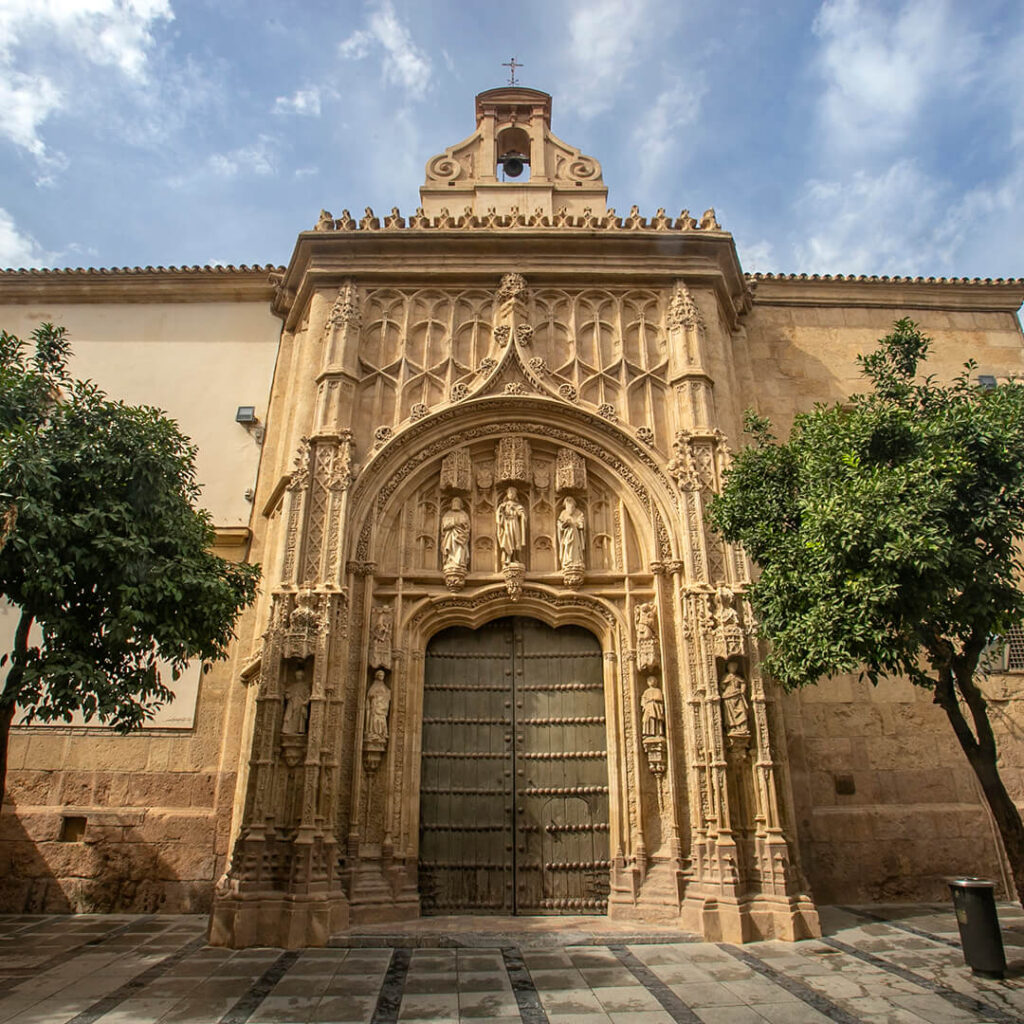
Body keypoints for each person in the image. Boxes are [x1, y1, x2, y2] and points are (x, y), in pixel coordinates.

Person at [495, 487, 527, 566]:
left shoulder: (518, 505)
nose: (511, 494)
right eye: (510, 493)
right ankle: (508, 557)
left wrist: (516, 511)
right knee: (507, 539)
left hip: (515, 524)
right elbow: (498, 516)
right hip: (507, 524)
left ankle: (516, 558)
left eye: (513, 493)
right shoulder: (503, 505)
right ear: (507, 495)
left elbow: (523, 515)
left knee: (516, 540)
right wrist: (501, 513)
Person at [441, 496, 471, 572]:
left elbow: (467, 526)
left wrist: (459, 524)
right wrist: (453, 523)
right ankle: (450, 561)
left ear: (461, 504)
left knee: (460, 549)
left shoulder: (464, 514)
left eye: (457, 502)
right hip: (450, 535)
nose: (456, 503)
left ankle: (460, 563)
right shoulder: (448, 514)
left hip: (461, 536)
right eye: (454, 502)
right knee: (450, 547)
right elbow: (444, 525)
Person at [720, 659, 749, 735]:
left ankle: (742, 728)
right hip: (729, 697)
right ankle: (731, 728)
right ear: (728, 667)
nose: (733, 668)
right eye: (732, 666)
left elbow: (743, 683)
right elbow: (722, 687)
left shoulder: (738, 677)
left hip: (738, 696)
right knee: (729, 715)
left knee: (742, 710)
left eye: (735, 667)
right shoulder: (725, 677)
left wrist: (742, 690)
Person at [557, 496, 585, 569]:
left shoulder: (579, 513)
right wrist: (564, 524)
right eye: (567, 506)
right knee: (567, 546)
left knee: (575, 547)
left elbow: (581, 524)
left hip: (575, 534)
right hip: (566, 534)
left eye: (571, 505)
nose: (569, 508)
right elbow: (559, 524)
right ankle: (567, 560)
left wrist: (574, 523)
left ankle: (576, 560)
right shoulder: (563, 513)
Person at [365, 669, 391, 744]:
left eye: (382, 675)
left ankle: (381, 734)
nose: (381, 677)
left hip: (382, 706)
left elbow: (388, 695)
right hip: (375, 705)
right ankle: (374, 734)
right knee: (375, 719)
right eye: (380, 675)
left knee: (382, 719)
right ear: (377, 676)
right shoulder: (374, 685)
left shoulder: (384, 686)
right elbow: (370, 694)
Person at [282, 667, 311, 734]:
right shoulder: (293, 685)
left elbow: (308, 695)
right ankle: (289, 730)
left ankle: (298, 730)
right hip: (292, 703)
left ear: (302, 677)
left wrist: (306, 701)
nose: (298, 677)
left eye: (300, 676)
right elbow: (287, 693)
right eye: (297, 676)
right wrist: (288, 696)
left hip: (300, 704)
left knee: (299, 718)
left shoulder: (305, 686)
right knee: (289, 717)